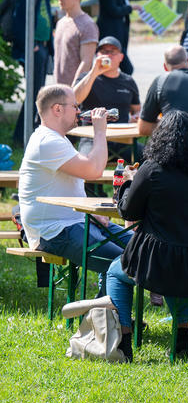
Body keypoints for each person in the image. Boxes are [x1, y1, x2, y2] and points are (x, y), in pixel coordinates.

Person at [106, 111, 188, 361]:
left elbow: (129, 210)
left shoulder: (152, 169)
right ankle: (183, 333)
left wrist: (127, 184)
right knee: (177, 271)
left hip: (158, 260)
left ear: (160, 138)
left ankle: (123, 339)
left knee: (115, 273)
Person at [18, 85, 129, 295]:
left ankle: (108, 317)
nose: (79, 111)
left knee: (144, 249)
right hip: (54, 231)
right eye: (75, 106)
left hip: (74, 222)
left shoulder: (56, 139)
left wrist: (92, 215)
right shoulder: (47, 141)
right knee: (124, 263)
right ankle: (107, 318)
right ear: (57, 109)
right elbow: (94, 170)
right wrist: (99, 131)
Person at [11, 0, 61, 145]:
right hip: (34, 50)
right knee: (34, 93)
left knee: (36, 92)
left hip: (42, 47)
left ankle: (26, 132)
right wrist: (29, 46)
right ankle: (20, 136)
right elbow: (19, 21)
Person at [72, 36, 141, 158]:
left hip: (122, 139)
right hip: (91, 137)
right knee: (84, 162)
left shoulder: (128, 81)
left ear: (121, 57)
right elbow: (75, 100)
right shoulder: (87, 77)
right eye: (103, 52)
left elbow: (137, 109)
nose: (107, 55)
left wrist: (136, 117)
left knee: (152, 159)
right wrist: (94, 72)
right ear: (97, 55)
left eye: (112, 52)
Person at [97, 0, 163, 75]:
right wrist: (130, 8)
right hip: (110, 32)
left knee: (113, 67)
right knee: (126, 68)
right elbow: (112, 9)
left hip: (119, 32)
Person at [139, 46, 188, 141]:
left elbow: (143, 128)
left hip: (177, 147)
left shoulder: (161, 81)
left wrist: (167, 125)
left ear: (165, 67)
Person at [54, 0, 98, 87]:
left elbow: (86, 62)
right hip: (59, 90)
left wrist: (74, 90)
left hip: (75, 93)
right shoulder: (61, 22)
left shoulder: (87, 25)